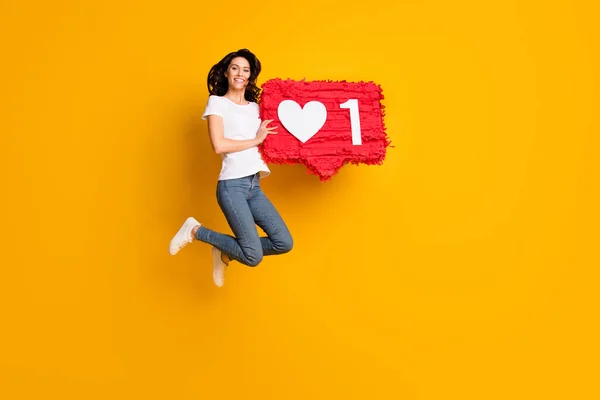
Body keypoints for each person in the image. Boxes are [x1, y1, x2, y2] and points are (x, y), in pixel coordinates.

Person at [169, 49, 293, 287]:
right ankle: (195, 230)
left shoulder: (256, 108)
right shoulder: (217, 103)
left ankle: (225, 252)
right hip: (232, 186)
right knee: (253, 256)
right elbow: (219, 145)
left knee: (283, 242)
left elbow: (278, 134)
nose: (240, 74)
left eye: (246, 70)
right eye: (235, 68)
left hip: (253, 186)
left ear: (250, 77)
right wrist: (256, 140)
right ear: (226, 72)